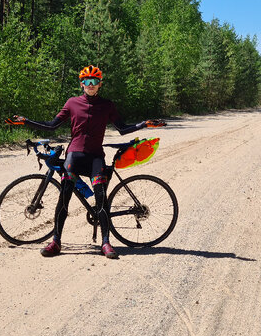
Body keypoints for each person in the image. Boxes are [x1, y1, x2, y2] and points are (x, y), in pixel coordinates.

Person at [14, 66, 162, 259]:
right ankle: (56, 242)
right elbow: (52, 126)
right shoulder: (72, 103)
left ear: (100, 84)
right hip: (74, 156)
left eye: (94, 81)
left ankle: (106, 243)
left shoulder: (107, 105)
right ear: (81, 83)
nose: (90, 85)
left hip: (95, 158)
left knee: (101, 199)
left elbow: (122, 129)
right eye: (87, 81)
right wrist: (26, 121)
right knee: (64, 198)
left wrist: (144, 124)